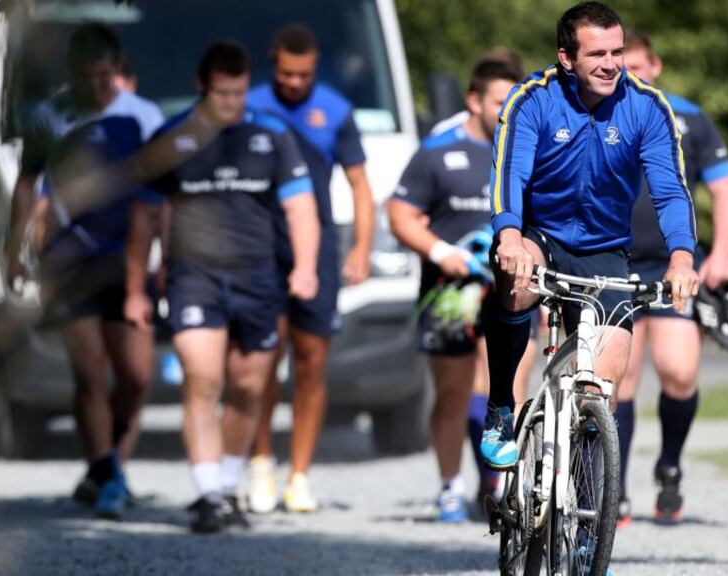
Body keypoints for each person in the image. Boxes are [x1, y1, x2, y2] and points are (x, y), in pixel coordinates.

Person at [480, 2, 700, 473]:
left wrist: (682, 257)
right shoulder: (532, 99)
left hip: (604, 249)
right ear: (566, 58)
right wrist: (510, 236)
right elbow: (509, 175)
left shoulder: (647, 107)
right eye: (597, 53)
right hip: (540, 235)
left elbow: (671, 192)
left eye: (617, 51)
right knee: (513, 284)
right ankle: (501, 405)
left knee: (603, 387)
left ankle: (584, 520)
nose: (610, 64)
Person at [122, 41, 320, 533]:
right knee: (203, 378)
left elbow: (301, 208)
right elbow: (144, 217)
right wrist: (135, 288)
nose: (231, 103)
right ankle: (209, 492)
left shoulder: (270, 135)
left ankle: (228, 485)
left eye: (238, 93)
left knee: (251, 386)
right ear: (201, 88)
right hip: (195, 278)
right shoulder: (172, 138)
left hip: (258, 278)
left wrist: (306, 267)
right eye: (221, 94)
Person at [4, 23, 163, 520]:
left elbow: (161, 194)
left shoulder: (142, 117)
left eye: (105, 76)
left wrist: (167, 256)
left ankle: (105, 466)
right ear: (71, 74)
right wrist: (15, 249)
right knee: (89, 372)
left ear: (117, 71)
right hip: (69, 261)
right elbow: (27, 184)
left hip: (128, 259)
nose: (97, 87)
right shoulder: (49, 117)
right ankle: (109, 474)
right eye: (87, 77)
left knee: (135, 377)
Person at [244, 23, 374, 514]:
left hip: (316, 246)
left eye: (302, 75)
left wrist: (359, 249)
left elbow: (360, 186)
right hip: (261, 246)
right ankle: (259, 461)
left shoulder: (336, 111)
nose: (294, 83)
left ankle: (298, 474)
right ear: (273, 61)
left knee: (312, 361)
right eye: (285, 73)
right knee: (261, 359)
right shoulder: (252, 104)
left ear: (314, 65)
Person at [388, 56, 524, 522]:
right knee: (452, 392)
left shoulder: (525, 149)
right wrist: (443, 252)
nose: (508, 109)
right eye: (499, 101)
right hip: (449, 295)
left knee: (505, 388)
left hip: (508, 292)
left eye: (515, 100)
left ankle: (501, 484)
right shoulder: (437, 151)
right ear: (474, 100)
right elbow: (400, 215)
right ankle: (450, 486)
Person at [615, 29, 728, 526]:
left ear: (656, 66)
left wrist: (724, 252)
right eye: (625, 69)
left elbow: (723, 188)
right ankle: (612, 487)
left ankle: (669, 466)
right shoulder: (600, 114)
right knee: (618, 379)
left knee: (680, 370)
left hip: (675, 265)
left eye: (639, 68)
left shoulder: (687, 117)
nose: (632, 77)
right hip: (616, 264)